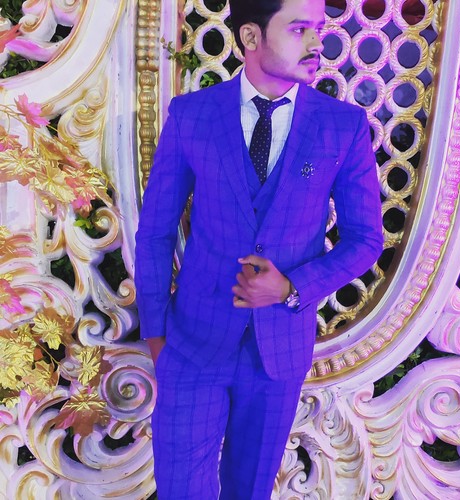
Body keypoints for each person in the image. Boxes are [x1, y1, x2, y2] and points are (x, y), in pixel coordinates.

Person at [134, 0, 383, 497]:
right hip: (191, 345)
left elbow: (365, 239)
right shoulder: (192, 116)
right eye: (299, 29)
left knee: (249, 491)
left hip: (278, 355)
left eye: (318, 29)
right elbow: (156, 232)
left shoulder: (342, 127)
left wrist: (292, 287)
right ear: (251, 37)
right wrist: (156, 334)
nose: (316, 43)